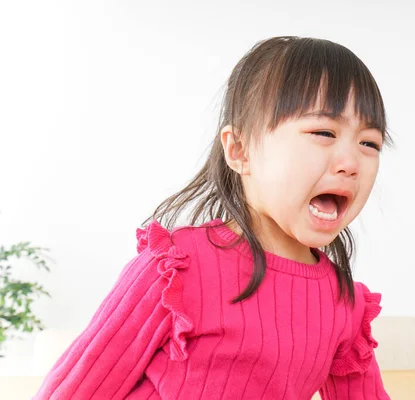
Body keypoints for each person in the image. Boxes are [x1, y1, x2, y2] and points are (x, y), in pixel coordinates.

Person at [33, 36, 394, 399]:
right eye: (323, 132)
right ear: (239, 151)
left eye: (369, 143)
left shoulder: (343, 303)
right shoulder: (176, 270)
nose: (350, 164)